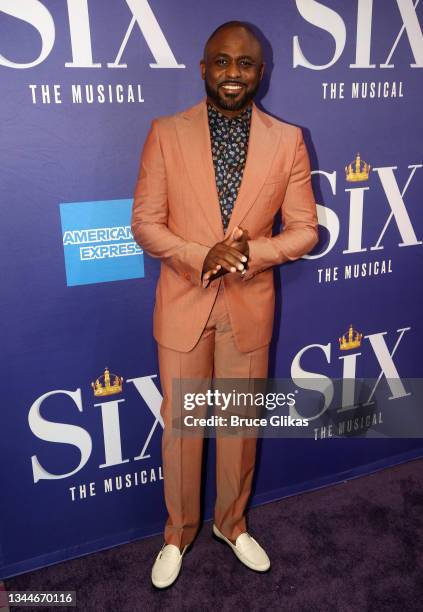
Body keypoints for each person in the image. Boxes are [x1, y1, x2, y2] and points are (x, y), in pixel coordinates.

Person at [131, 20, 319, 588]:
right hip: (185, 303)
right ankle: (178, 532)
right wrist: (200, 254)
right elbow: (144, 223)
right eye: (221, 61)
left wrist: (248, 255)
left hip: (248, 307)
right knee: (183, 428)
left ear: (261, 72)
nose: (232, 73)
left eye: (245, 63)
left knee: (239, 425)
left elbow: (305, 230)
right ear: (203, 66)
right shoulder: (166, 132)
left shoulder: (287, 139)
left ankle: (231, 524)